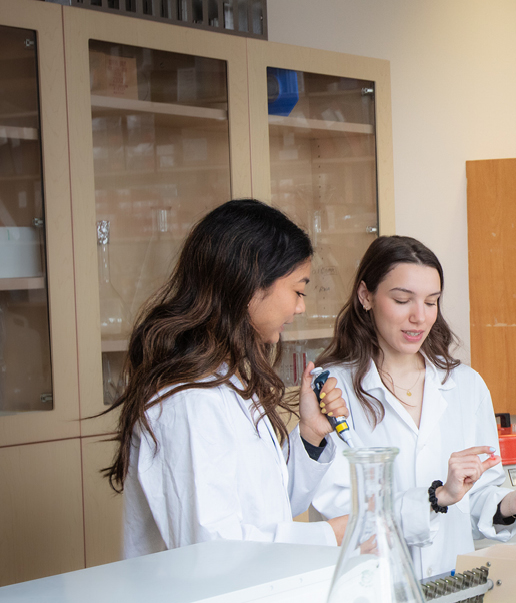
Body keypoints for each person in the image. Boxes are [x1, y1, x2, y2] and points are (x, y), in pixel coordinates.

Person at [106, 199, 351, 556]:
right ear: (251, 282)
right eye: (298, 290)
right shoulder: (188, 398)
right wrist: (331, 535)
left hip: (247, 599)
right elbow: (210, 548)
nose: (301, 307)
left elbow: (268, 509)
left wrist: (311, 435)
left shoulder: (226, 381)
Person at [311, 236, 516, 578]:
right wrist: (436, 498)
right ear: (366, 296)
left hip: (450, 588)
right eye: (402, 300)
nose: (419, 317)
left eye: (431, 302)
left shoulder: (465, 385)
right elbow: (340, 515)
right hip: (373, 588)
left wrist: (508, 505)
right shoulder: (334, 391)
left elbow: (479, 492)